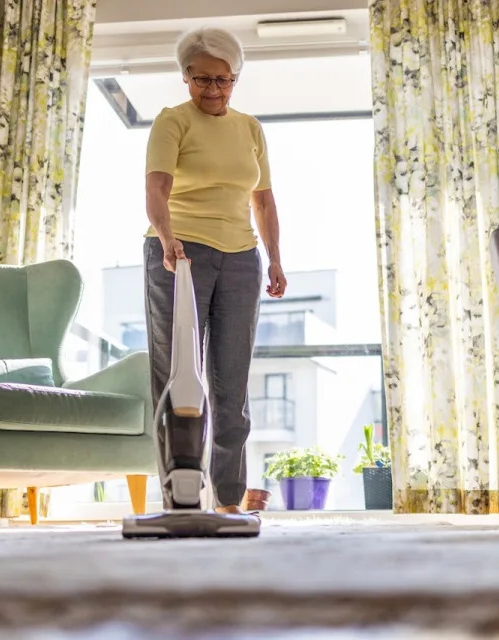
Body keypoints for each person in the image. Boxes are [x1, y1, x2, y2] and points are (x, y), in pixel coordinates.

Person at [143, 27, 287, 514]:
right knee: (177, 373)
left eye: (224, 80)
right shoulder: (172, 121)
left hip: (241, 258)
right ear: (185, 77)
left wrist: (275, 257)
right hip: (180, 252)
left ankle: (228, 499)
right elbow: (157, 189)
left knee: (232, 380)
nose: (214, 90)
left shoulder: (250, 128)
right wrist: (166, 240)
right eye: (202, 79)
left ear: (235, 78)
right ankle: (178, 495)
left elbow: (263, 200)